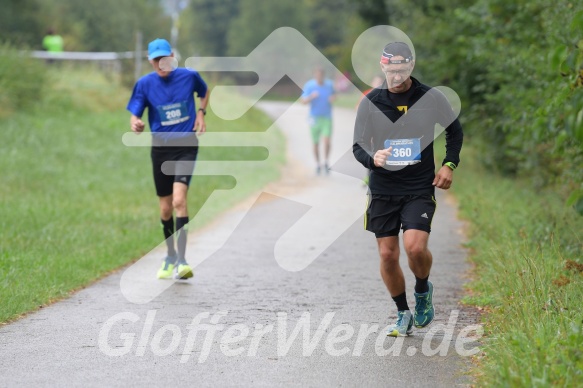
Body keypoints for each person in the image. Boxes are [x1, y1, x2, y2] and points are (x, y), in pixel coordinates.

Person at [353, 42, 463, 336]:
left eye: (403, 68)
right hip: (383, 189)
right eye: (392, 69)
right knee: (388, 255)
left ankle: (423, 289)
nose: (397, 74)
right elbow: (358, 146)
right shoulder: (371, 102)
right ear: (383, 67)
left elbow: (454, 130)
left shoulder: (430, 97)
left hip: (418, 186)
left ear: (411, 67)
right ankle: (403, 312)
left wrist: (448, 164)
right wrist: (372, 158)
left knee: (415, 248)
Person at [127, 38, 210, 280]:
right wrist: (136, 124)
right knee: (165, 208)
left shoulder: (189, 76)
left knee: (178, 200)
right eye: (156, 60)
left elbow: (204, 92)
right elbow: (135, 115)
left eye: (165, 58)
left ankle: (182, 261)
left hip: (185, 146)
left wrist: (202, 114)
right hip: (160, 151)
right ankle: (170, 255)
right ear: (150, 61)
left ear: (172, 56)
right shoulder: (144, 84)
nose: (161, 64)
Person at [301, 67, 336, 174]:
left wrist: (333, 98)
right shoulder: (309, 85)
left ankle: (326, 162)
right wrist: (311, 96)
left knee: (327, 140)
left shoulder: (329, 84)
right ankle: (317, 164)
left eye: (321, 75)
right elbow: (303, 101)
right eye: (317, 75)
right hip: (314, 118)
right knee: (315, 142)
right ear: (315, 76)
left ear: (323, 76)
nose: (319, 77)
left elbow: (334, 94)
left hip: (326, 117)